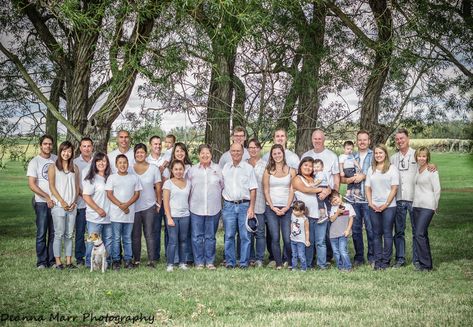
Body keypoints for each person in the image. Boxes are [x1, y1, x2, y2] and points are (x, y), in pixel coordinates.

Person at [390, 128, 436, 268]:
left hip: (414, 200)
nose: (399, 141)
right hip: (398, 199)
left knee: (417, 231)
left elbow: (426, 164)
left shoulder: (416, 155)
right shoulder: (393, 158)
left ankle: (417, 260)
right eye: (397, 139)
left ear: (408, 138)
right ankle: (400, 259)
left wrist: (432, 165)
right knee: (399, 231)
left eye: (402, 138)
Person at [302, 129, 340, 262]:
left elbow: (336, 178)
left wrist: (333, 193)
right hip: (310, 196)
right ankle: (310, 255)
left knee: (328, 225)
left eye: (320, 139)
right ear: (312, 139)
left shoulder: (332, 156)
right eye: (315, 139)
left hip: (327, 196)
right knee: (311, 225)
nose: (317, 141)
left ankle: (328, 256)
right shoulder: (306, 155)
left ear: (324, 139)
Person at [221, 142, 258, 269]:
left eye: (238, 151)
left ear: (242, 153)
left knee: (245, 236)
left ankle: (243, 262)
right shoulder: (225, 168)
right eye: (233, 151)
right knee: (229, 235)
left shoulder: (248, 168)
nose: (236, 153)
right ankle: (230, 262)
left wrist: (251, 208)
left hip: (244, 206)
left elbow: (253, 189)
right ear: (230, 152)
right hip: (229, 206)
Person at [341, 130, 374, 266]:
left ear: (369, 141)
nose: (362, 142)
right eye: (359, 140)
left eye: (364, 140)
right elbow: (342, 177)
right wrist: (348, 180)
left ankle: (372, 257)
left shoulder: (374, 155)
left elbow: (379, 172)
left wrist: (364, 175)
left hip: (368, 198)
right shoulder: (350, 155)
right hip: (353, 198)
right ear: (356, 141)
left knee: (371, 229)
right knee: (355, 229)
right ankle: (359, 257)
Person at [188, 144, 224, 270]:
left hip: (213, 208)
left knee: (210, 237)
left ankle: (209, 261)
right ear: (198, 155)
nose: (205, 155)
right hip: (196, 208)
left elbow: (223, 186)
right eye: (202, 153)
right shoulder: (192, 170)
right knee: (197, 236)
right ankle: (198, 262)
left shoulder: (218, 169)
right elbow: (188, 188)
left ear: (211, 154)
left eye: (207, 153)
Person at [365, 144, 399, 270]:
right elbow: (367, 188)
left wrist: (385, 205)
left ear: (385, 154)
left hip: (389, 207)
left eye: (381, 153)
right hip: (373, 206)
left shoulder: (392, 169)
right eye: (376, 153)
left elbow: (394, 188)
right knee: (376, 234)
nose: (378, 155)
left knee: (387, 233)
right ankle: (377, 260)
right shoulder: (371, 169)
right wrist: (370, 203)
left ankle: (385, 261)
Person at [106, 154, 142, 270]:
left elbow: (137, 194)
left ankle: (128, 260)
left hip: (129, 213)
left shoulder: (134, 177)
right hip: (116, 214)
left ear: (128, 164)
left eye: (124, 162)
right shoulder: (112, 178)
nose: (122, 165)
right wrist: (121, 206)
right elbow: (109, 194)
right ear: (116, 164)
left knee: (127, 238)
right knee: (116, 238)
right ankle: (116, 260)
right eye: (120, 162)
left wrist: (127, 205)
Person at [263, 144, 296, 269]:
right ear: (272, 155)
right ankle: (278, 263)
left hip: (287, 208)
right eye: (274, 153)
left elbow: (292, 190)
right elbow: (266, 190)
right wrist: (272, 207)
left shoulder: (291, 171)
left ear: (283, 154)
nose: (277, 155)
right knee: (275, 237)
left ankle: (290, 261)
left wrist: (287, 207)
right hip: (271, 208)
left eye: (279, 153)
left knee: (288, 238)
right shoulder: (268, 171)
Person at [48, 141, 80, 270]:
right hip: (59, 206)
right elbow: (51, 186)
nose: (66, 153)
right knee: (59, 234)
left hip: (72, 207)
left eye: (69, 151)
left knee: (69, 235)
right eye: (64, 150)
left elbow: (77, 187)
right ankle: (58, 262)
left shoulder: (75, 168)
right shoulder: (53, 167)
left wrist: (74, 202)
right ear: (60, 151)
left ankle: (68, 261)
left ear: (72, 153)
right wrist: (61, 201)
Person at [292, 157, 329, 269]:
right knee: (309, 241)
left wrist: (327, 191)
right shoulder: (297, 178)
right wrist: (320, 190)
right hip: (306, 217)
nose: (308, 168)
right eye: (306, 165)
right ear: (301, 166)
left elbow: (328, 187)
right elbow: (305, 190)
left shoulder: (316, 177)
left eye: (311, 166)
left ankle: (322, 264)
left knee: (321, 242)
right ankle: (308, 264)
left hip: (321, 215)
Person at [27, 135, 57, 269]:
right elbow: (32, 184)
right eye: (45, 144)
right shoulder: (35, 162)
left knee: (54, 233)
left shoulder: (56, 159)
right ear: (40, 145)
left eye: (50, 144)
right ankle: (41, 262)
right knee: (41, 233)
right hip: (41, 202)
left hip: (56, 203)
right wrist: (46, 197)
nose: (48, 146)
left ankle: (52, 261)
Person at [162, 142, 193, 264]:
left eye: (182, 151)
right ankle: (171, 259)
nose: (180, 153)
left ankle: (184, 259)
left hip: (184, 210)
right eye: (177, 151)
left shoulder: (190, 168)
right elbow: (164, 188)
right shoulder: (168, 169)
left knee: (184, 237)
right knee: (171, 237)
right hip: (171, 208)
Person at [132, 143, 161, 268]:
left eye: (142, 152)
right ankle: (136, 259)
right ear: (134, 154)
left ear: (146, 153)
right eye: (137, 152)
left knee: (149, 233)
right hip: (133, 206)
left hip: (149, 205)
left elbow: (158, 188)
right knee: (135, 234)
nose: (140, 154)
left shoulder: (153, 168)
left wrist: (158, 203)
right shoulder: (129, 168)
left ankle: (151, 260)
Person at [412, 147, 441, 271]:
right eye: (419, 156)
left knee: (419, 233)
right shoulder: (417, 170)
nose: (421, 158)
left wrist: (435, 205)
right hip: (416, 206)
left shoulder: (432, 171)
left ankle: (426, 265)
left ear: (427, 157)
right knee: (422, 234)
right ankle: (426, 263)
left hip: (428, 206)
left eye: (424, 156)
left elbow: (437, 189)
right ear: (416, 157)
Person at [82, 152, 112, 269]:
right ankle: (90, 263)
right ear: (94, 163)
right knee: (92, 241)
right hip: (95, 216)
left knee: (108, 241)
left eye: (104, 161)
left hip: (109, 217)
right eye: (98, 161)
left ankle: (106, 262)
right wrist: (98, 209)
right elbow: (86, 196)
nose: (101, 163)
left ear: (107, 163)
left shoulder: (110, 178)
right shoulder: (92, 178)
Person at [147, 135, 170, 261]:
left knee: (168, 228)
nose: (158, 146)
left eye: (159, 144)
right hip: (154, 198)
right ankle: (154, 256)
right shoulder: (147, 161)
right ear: (151, 145)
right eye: (155, 144)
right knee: (155, 228)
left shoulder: (166, 159)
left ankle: (169, 254)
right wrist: (159, 172)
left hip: (167, 198)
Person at [246, 139, 268, 268]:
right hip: (246, 203)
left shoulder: (265, 165)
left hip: (260, 203)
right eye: (250, 147)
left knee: (259, 233)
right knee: (247, 232)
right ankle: (250, 257)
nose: (253, 150)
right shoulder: (244, 164)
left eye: (255, 147)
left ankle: (259, 258)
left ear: (259, 149)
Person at [73, 137, 94, 266]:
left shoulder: (96, 161)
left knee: (93, 232)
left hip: (95, 204)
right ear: (80, 148)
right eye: (84, 146)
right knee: (80, 232)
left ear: (92, 147)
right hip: (81, 203)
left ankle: (92, 256)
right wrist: (84, 195)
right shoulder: (75, 163)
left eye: (89, 146)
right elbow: (76, 184)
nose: (86, 148)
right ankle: (80, 258)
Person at [328, 191, 355, 272]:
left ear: (340, 196)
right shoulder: (333, 208)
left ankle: (348, 267)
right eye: (333, 202)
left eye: (336, 199)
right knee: (336, 252)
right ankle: (340, 267)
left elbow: (351, 218)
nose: (335, 202)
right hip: (333, 234)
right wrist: (338, 212)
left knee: (342, 250)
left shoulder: (348, 206)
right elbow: (332, 219)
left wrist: (348, 229)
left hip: (343, 233)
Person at [290, 200, 310, 271]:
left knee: (301, 255)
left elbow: (307, 231)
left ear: (302, 211)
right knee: (294, 255)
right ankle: (294, 267)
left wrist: (307, 240)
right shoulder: (292, 215)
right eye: (293, 209)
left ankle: (303, 268)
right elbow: (292, 224)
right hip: (293, 239)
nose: (294, 211)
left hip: (301, 240)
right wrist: (291, 233)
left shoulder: (305, 219)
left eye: (296, 210)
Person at [312, 159, 330, 223]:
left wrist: (313, 185)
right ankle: (329, 212)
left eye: (318, 167)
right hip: (324, 187)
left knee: (320, 201)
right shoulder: (317, 173)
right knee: (326, 201)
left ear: (322, 167)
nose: (316, 168)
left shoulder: (320, 173)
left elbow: (319, 180)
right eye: (314, 167)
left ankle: (323, 215)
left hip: (321, 187)